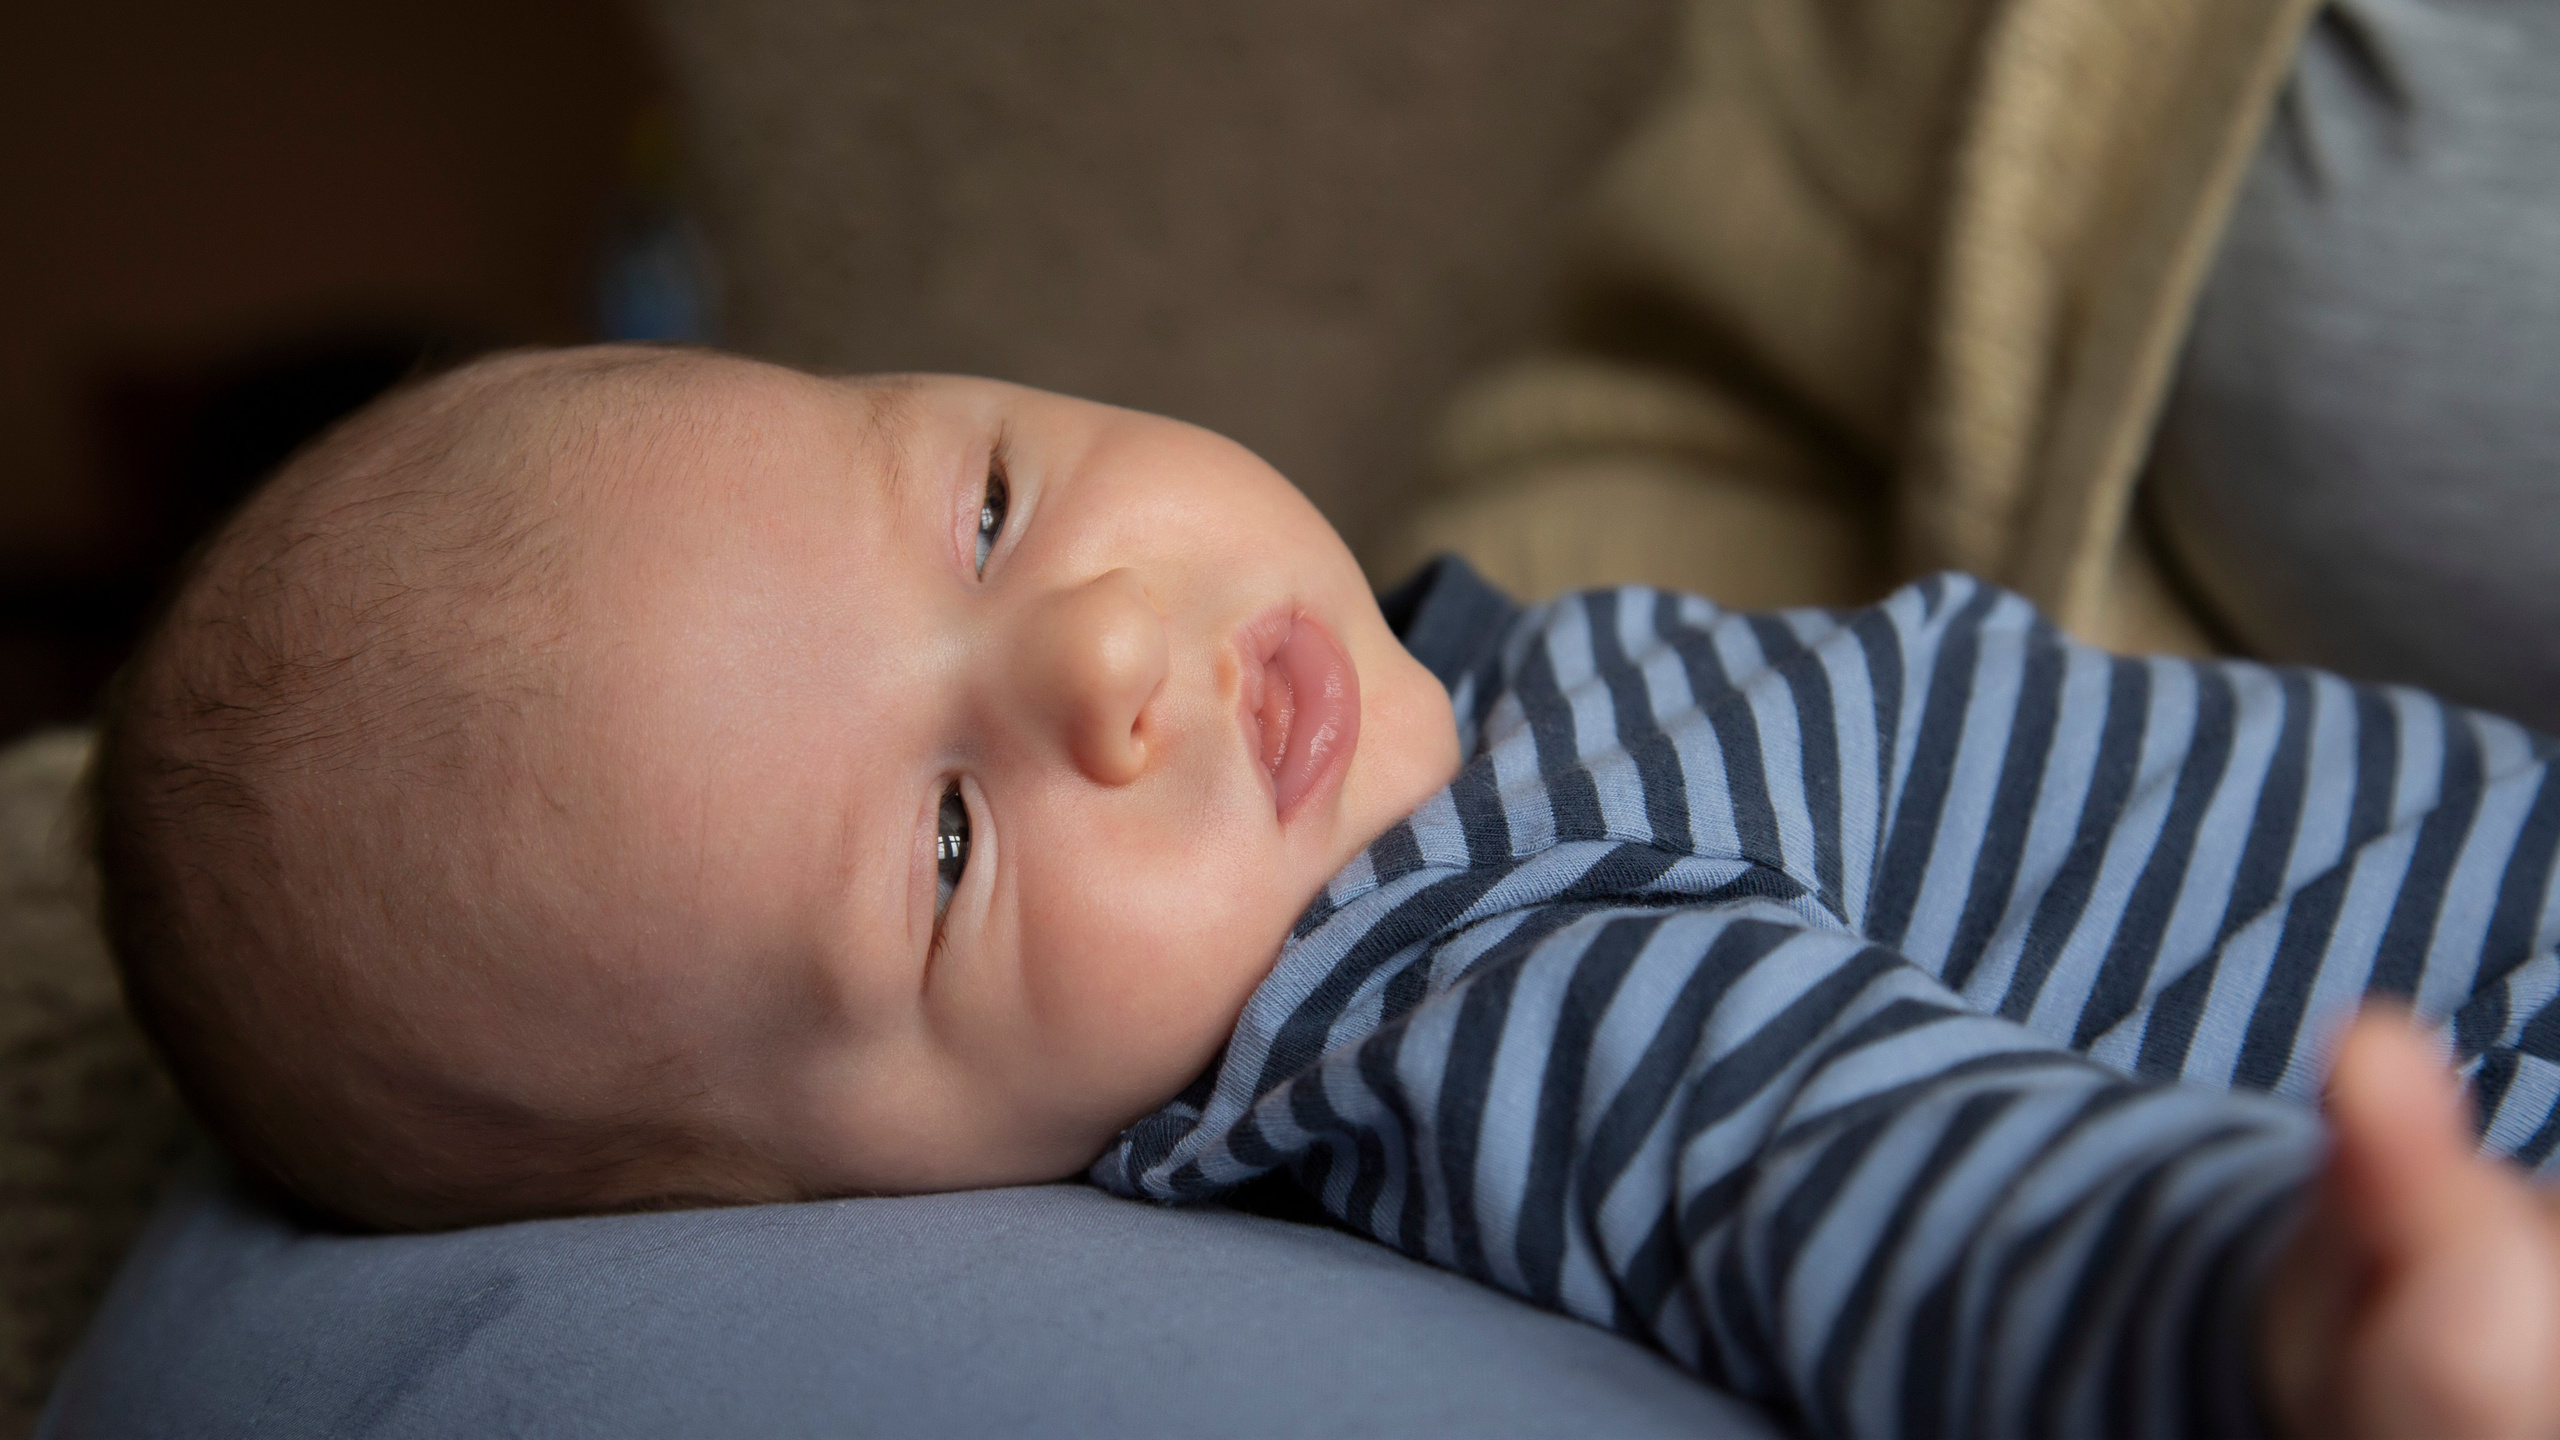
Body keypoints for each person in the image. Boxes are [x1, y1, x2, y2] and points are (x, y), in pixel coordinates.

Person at [85, 344, 2560, 1439]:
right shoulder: (1442, 976)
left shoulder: (1432, 701)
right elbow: (1836, 1167)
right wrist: (2263, 1313)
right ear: (854, 1194)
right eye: (944, 847)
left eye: (983, 507)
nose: (1098, 664)